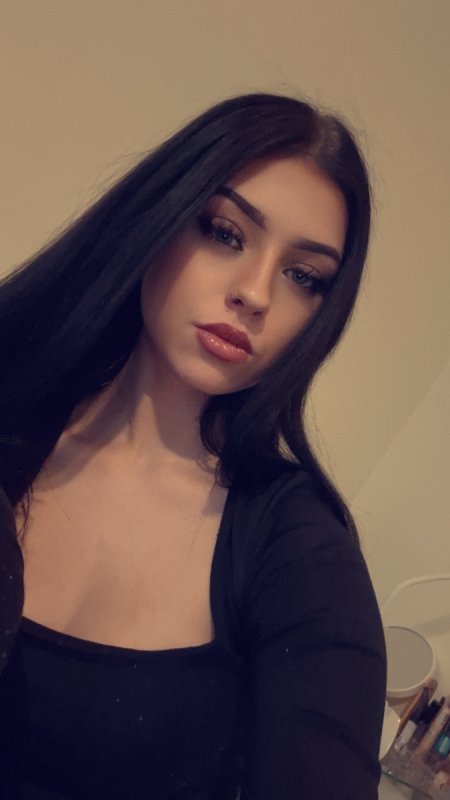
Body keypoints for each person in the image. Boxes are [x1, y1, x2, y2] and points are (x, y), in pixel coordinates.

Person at [0, 93, 386, 799]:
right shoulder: (13, 415)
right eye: (225, 232)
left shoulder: (300, 553)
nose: (255, 294)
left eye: (303, 276)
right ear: (158, 217)